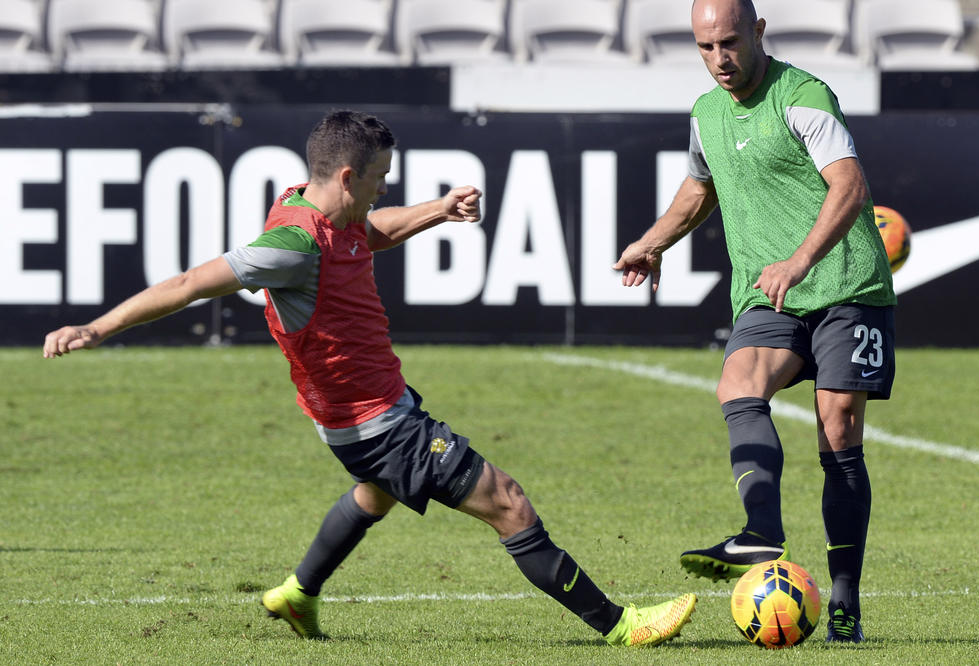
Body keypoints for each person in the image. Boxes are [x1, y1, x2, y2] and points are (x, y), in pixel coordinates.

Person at [44, 109, 696, 647]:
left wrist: (438, 210)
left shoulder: (322, 211)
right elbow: (190, 283)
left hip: (367, 413)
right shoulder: (292, 244)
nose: (385, 187)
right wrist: (95, 329)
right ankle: (621, 626)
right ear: (348, 175)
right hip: (375, 423)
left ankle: (298, 593)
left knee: (374, 496)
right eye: (381, 177)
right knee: (507, 502)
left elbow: (369, 230)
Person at [613, 0, 896, 644]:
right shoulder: (706, 113)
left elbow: (849, 185)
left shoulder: (803, 97)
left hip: (847, 285)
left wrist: (799, 260)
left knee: (838, 429)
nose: (720, 58)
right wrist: (652, 243)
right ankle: (762, 531)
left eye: (731, 42)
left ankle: (844, 601)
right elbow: (699, 189)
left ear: (758, 31)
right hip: (768, 294)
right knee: (737, 384)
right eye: (706, 47)